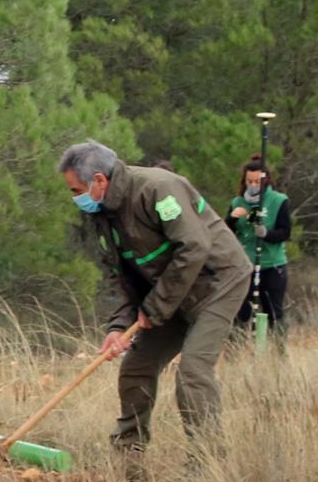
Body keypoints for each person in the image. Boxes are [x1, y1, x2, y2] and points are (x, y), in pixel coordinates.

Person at [58, 141, 253, 459]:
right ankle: (128, 455)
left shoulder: (159, 188)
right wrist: (118, 325)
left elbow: (193, 248)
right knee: (136, 367)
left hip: (217, 284)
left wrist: (156, 307)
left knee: (193, 372)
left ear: (99, 180)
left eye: (75, 189)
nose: (74, 198)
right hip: (169, 292)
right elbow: (118, 275)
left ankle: (209, 462)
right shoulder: (104, 213)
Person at [226, 161, 297, 328]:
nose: (252, 185)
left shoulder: (279, 201)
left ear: (266, 180)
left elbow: (285, 232)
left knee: (273, 313)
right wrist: (232, 219)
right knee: (241, 313)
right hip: (245, 266)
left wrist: (266, 233)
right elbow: (226, 232)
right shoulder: (237, 202)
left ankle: (276, 351)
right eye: (249, 181)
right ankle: (238, 349)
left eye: (257, 182)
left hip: (272, 265)